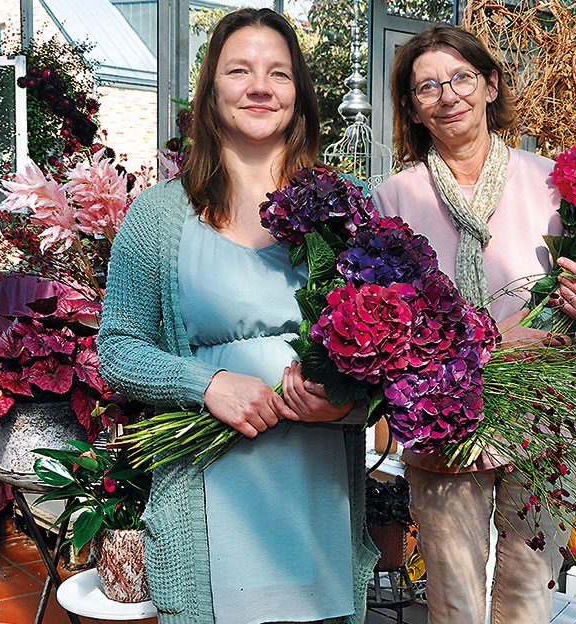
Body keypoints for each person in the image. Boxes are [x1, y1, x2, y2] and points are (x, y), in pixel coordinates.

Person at [98, 8, 378, 624]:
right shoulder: (158, 217)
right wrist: (208, 384)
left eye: (279, 73)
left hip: (319, 504)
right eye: (239, 70)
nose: (260, 86)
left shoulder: (349, 213)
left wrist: (347, 403)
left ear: (299, 96)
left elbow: (398, 362)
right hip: (207, 509)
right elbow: (117, 352)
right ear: (211, 91)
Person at [372, 24, 576, 624]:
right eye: (426, 86)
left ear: (489, 85)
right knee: (454, 597)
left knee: (530, 593)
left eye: (461, 77)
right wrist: (487, 339)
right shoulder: (393, 198)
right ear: (411, 107)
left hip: (547, 403)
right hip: (443, 412)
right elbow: (386, 325)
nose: (447, 95)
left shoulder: (555, 182)